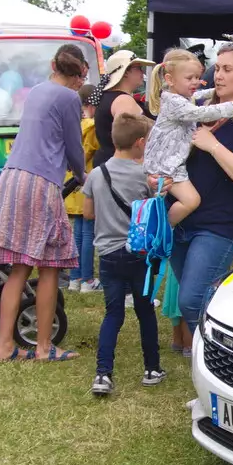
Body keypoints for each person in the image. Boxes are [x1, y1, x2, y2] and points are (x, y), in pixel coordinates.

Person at [0, 44, 89, 362]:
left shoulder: (36, 91)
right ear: (78, 74)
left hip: (12, 177)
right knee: (50, 265)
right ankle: (44, 346)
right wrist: (85, 176)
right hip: (40, 182)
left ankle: (5, 345)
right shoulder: (70, 97)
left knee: (18, 268)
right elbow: (74, 146)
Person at [171, 43, 233, 329]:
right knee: (199, 297)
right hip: (180, 218)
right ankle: (217, 351)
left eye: (228, 69)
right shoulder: (198, 108)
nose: (219, 75)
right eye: (217, 67)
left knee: (192, 299)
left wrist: (213, 145)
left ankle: (217, 356)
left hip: (218, 225)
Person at [82, 112, 163, 395]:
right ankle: (152, 368)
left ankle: (103, 374)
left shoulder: (95, 174)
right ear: (140, 143)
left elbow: (88, 213)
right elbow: (153, 211)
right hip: (139, 254)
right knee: (144, 311)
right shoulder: (144, 176)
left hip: (107, 254)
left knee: (113, 314)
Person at [143, 48, 233, 226]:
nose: (195, 82)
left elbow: (197, 95)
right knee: (191, 200)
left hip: (171, 162)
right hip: (166, 164)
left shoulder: (179, 95)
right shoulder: (175, 102)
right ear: (170, 80)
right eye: (190, 78)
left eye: (197, 77)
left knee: (171, 199)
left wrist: (216, 91)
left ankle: (161, 227)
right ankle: (163, 229)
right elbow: (200, 113)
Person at [62, 84, 100, 292]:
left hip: (71, 184)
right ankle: (87, 279)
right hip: (86, 182)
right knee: (88, 234)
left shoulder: (74, 124)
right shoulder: (92, 127)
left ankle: (75, 278)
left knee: (77, 233)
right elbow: (89, 152)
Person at [93, 50, 152, 166]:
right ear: (125, 72)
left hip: (110, 165)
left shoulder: (108, 97)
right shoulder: (123, 100)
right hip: (121, 169)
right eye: (138, 69)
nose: (142, 74)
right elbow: (130, 142)